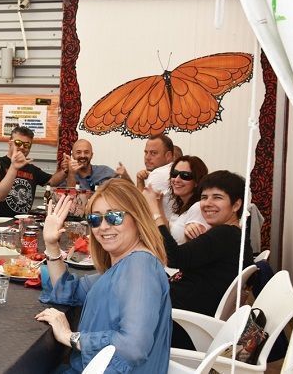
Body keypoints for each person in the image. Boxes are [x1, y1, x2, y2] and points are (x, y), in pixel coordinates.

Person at [36, 179, 171, 373]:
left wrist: (69, 336)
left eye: (114, 217)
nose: (103, 226)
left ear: (137, 217)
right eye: (95, 219)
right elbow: (68, 291)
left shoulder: (139, 266)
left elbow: (133, 347)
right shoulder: (125, 265)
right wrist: (51, 244)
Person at [144, 170, 254, 348]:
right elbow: (191, 259)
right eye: (204, 197)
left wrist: (154, 211)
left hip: (181, 324)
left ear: (236, 205)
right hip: (184, 314)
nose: (207, 203)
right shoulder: (232, 235)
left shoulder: (225, 234)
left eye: (217, 197)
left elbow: (173, 257)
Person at [0, 126, 68, 217]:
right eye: (18, 143)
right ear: (10, 143)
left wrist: (65, 170)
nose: (22, 147)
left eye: (26, 145)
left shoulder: (32, 169)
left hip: (23, 221)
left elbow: (52, 181)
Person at [152, 155, 210, 244]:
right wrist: (158, 204)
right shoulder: (182, 205)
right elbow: (168, 234)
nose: (176, 179)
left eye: (185, 175)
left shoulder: (197, 208)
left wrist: (154, 209)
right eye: (174, 174)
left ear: (197, 181)